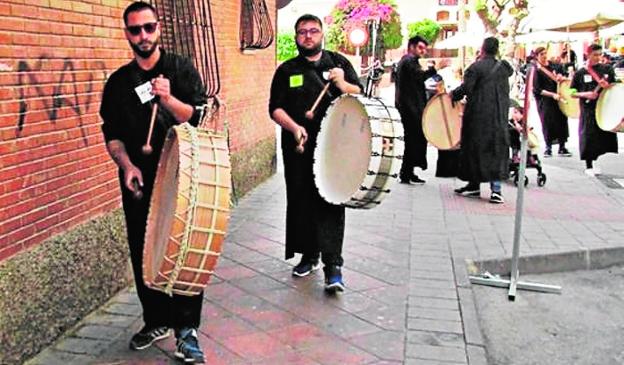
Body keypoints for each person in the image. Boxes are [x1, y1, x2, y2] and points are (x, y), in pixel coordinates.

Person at [99, 2, 207, 363]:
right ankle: (156, 319)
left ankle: (187, 330)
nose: (143, 36)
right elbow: (112, 135)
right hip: (139, 179)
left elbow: (195, 117)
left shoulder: (180, 69)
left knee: (184, 248)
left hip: (182, 173)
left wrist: (167, 98)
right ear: (127, 33)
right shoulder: (117, 83)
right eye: (135, 30)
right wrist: (127, 165)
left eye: (148, 27)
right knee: (144, 250)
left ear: (158, 28)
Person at [268, 14, 362, 293]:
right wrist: (294, 127)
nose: (308, 36)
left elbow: (357, 94)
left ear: (322, 34)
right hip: (298, 145)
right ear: (296, 37)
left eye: (313, 31)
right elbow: (275, 108)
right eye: (302, 32)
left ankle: (334, 265)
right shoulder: (286, 70)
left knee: (331, 199)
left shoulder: (338, 63)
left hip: (334, 145)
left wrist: (342, 83)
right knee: (301, 199)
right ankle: (309, 255)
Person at [451, 37, 513, 204]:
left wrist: (452, 95)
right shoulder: (503, 68)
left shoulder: (475, 68)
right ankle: (494, 190)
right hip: (499, 117)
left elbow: (466, 89)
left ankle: (477, 185)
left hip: (478, 116)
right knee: (495, 151)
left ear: (483, 49)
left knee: (474, 150)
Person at [394, 35, 439, 184]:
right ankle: (406, 173)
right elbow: (419, 78)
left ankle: (409, 171)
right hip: (410, 109)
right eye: (420, 48)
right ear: (412, 47)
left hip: (410, 107)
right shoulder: (408, 62)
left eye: (424, 48)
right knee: (411, 141)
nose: (423, 51)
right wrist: (433, 70)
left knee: (413, 142)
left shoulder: (408, 62)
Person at [571, 43, 618, 175]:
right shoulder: (580, 73)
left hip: (603, 106)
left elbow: (614, 86)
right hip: (588, 109)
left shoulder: (607, 69)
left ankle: (597, 158)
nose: (598, 58)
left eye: (599, 55)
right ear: (588, 55)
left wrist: (607, 85)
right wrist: (585, 94)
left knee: (603, 134)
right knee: (588, 135)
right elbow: (571, 92)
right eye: (595, 55)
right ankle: (589, 165)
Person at [532, 46, 572, 157]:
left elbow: (564, 77)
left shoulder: (555, 66)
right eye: (541, 54)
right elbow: (537, 89)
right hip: (545, 100)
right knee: (548, 122)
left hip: (559, 97)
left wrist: (561, 77)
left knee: (562, 120)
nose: (544, 56)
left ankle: (562, 146)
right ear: (537, 56)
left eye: (545, 53)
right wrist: (552, 95)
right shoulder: (536, 70)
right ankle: (548, 147)